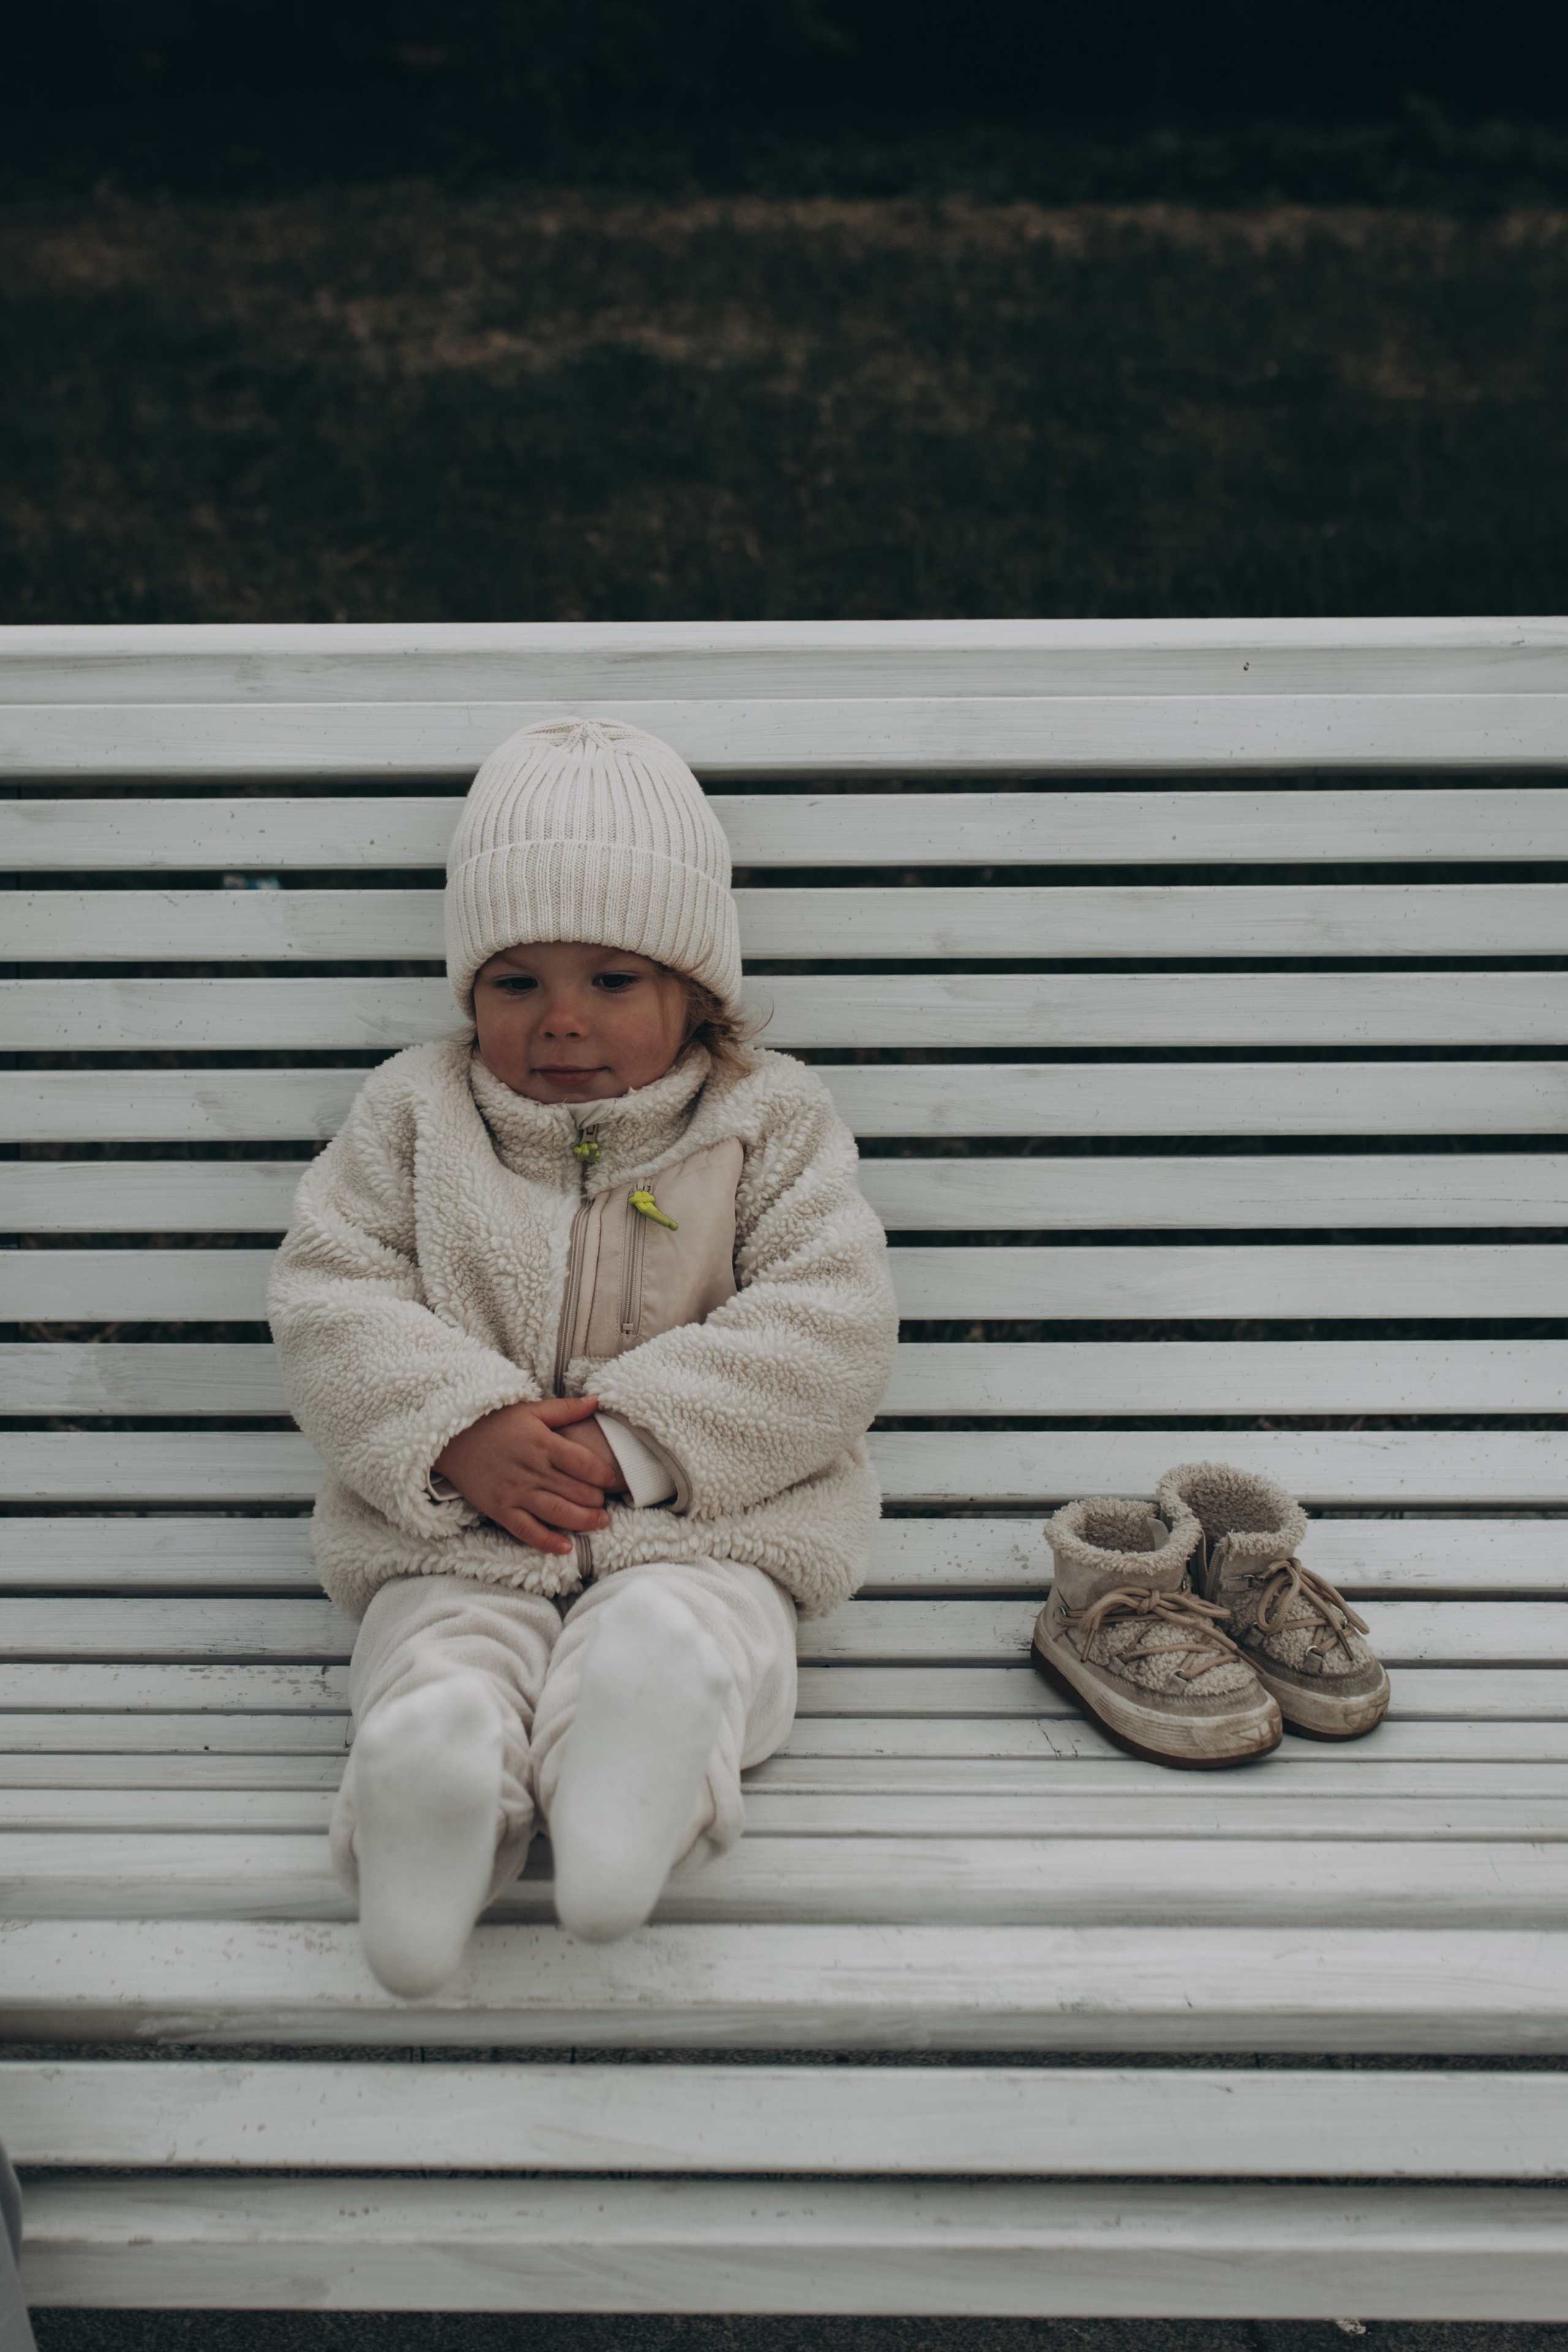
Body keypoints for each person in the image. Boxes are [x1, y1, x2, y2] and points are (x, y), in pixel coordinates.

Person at [270, 718, 899, 1997]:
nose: (561, 1022)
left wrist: (636, 1443)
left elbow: (831, 1320)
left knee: (702, 1627)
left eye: (612, 981)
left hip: (711, 1532)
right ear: (467, 992)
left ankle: (643, 1732)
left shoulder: (764, 1119)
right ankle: (436, 1774)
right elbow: (331, 1294)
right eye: (516, 984)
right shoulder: (414, 1116)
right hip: (456, 1530)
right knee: (438, 1645)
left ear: (696, 993)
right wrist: (454, 1426)